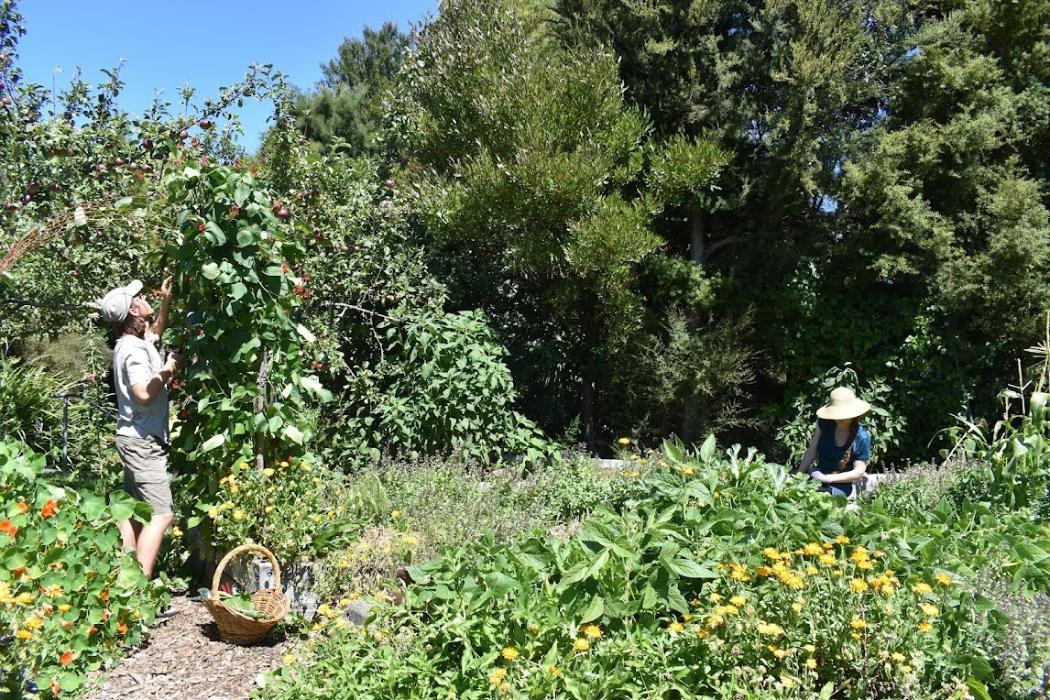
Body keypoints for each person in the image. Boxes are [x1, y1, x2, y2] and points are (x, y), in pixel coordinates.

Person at [97, 276, 182, 578]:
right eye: (140, 297)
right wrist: (167, 371)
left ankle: (123, 576)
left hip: (135, 438)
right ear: (133, 312)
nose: (146, 297)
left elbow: (156, 329)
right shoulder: (132, 350)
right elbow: (144, 393)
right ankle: (138, 592)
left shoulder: (135, 342)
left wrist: (166, 301)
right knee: (161, 514)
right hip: (142, 442)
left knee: (135, 513)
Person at [798, 387, 872, 498]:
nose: (838, 418)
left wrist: (828, 478)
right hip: (816, 479)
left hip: (839, 487)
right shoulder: (824, 423)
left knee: (814, 494)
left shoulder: (862, 438)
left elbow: (858, 472)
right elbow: (812, 449)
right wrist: (798, 476)